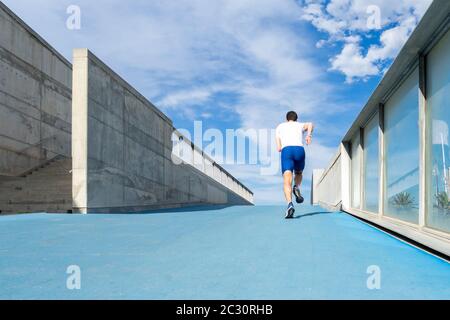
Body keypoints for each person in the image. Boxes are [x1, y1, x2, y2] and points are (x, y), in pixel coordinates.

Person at [276, 111, 314, 219]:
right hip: (299, 149)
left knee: (287, 180)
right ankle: (296, 187)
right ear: (296, 119)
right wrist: (309, 135)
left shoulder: (280, 127)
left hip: (287, 150)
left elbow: (278, 147)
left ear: (286, 119)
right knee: (298, 173)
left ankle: (289, 204)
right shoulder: (299, 125)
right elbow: (310, 124)